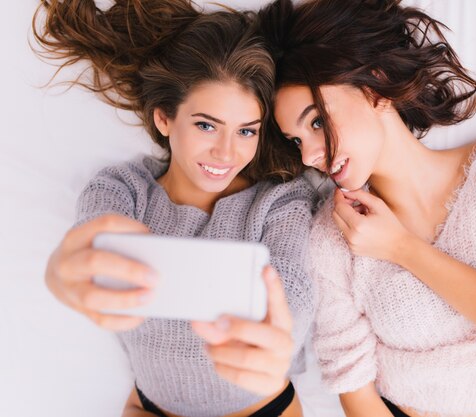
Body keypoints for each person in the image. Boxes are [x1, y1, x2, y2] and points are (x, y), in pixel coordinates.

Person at [258, 1, 476, 416]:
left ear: (374, 87)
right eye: (297, 140)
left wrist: (402, 249)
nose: (310, 156)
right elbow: (352, 381)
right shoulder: (332, 234)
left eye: (317, 122)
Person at [33, 1, 317, 416]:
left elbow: (294, 290)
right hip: (151, 406)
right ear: (165, 118)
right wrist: (60, 271)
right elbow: (89, 250)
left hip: (259, 408)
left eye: (246, 131)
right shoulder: (122, 191)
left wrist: (281, 333)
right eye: (206, 125)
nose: (226, 151)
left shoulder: (279, 202)